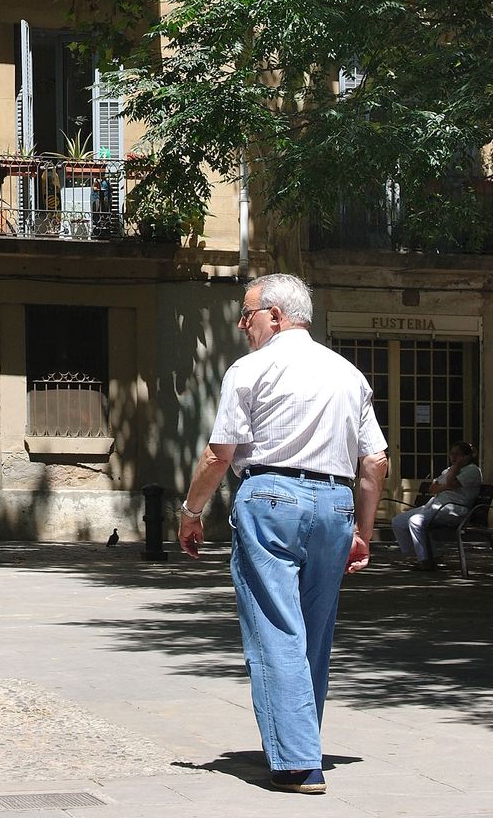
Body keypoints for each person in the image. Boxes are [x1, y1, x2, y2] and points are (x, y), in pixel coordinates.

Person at [179, 273, 389, 796]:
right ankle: (303, 743)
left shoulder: (250, 370)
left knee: (275, 628)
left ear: (275, 315)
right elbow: (376, 461)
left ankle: (297, 762)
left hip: (271, 497)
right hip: (336, 504)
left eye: (246, 314)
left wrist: (190, 510)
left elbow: (218, 455)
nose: (241, 324)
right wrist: (363, 531)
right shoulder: (348, 374)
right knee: (314, 633)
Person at [391, 442, 482, 567]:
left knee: (416, 521)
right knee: (398, 521)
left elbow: (452, 483)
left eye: (457, 454)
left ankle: (425, 560)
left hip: (454, 509)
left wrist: (455, 469)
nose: (453, 457)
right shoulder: (448, 470)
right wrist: (446, 486)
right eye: (451, 454)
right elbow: (432, 489)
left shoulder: (472, 470)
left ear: (466, 456)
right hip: (435, 506)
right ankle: (418, 555)